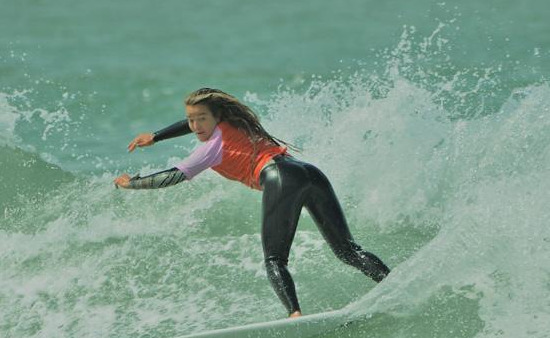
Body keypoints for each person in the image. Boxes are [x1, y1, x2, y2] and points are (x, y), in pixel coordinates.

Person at [116, 88, 389, 318]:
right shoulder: (232, 123)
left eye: (202, 119)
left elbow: (174, 176)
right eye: (191, 120)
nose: (195, 126)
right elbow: (196, 120)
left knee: (274, 260)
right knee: (348, 251)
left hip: (281, 177)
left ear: (216, 117)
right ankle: (391, 283)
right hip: (309, 173)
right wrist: (156, 135)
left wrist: (133, 184)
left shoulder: (212, 148)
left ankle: (294, 316)